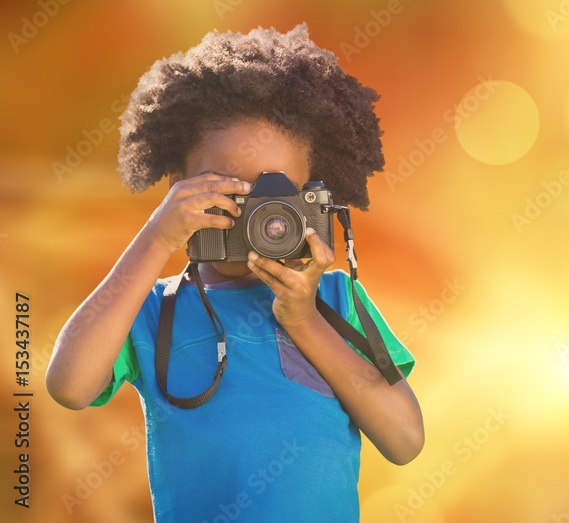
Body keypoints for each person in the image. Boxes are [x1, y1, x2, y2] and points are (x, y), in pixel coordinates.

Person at [46, 24, 423, 523]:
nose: (256, 218)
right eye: (230, 191)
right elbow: (69, 386)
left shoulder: (336, 298)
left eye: (275, 198)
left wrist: (305, 319)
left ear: (312, 199)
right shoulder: (154, 309)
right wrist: (157, 236)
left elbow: (404, 441)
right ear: (181, 189)